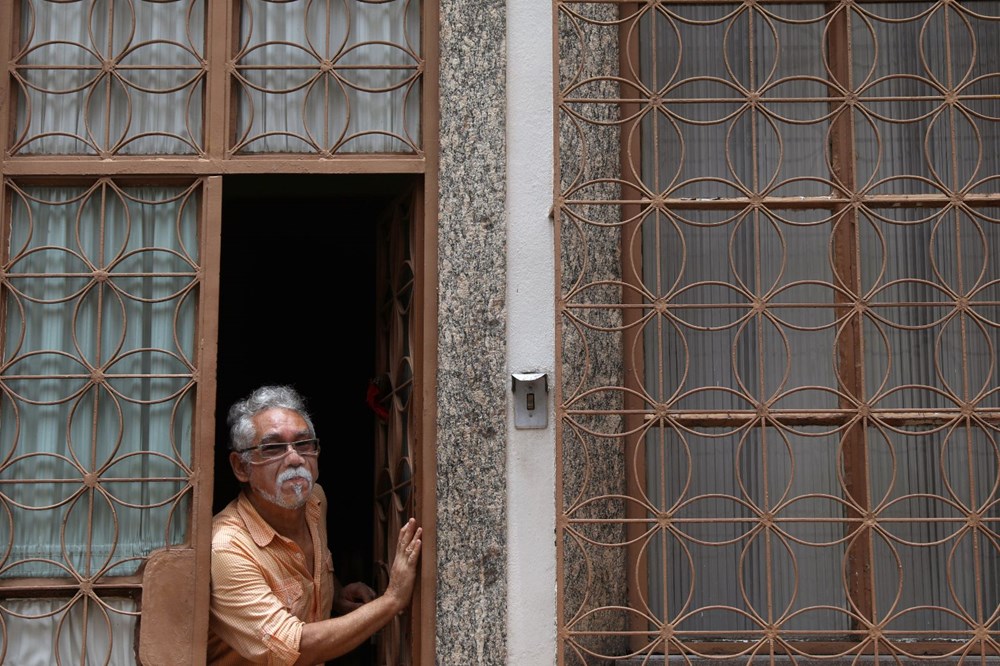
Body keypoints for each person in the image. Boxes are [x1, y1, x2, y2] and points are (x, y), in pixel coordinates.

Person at [207, 385, 422, 665]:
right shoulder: (225, 548)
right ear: (241, 467)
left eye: (303, 443)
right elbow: (293, 648)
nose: (295, 458)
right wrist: (392, 600)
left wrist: (334, 594)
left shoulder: (313, 502)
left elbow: (305, 569)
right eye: (273, 448)